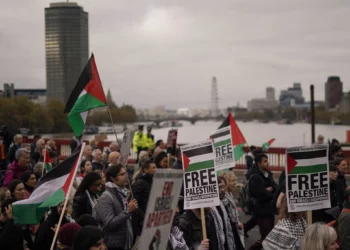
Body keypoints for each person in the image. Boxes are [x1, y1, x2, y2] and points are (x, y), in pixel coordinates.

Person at [95, 164, 138, 250]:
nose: (126, 176)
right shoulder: (106, 197)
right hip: (113, 245)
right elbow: (109, 223)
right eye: (122, 174)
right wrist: (128, 211)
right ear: (113, 178)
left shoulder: (122, 194)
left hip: (125, 243)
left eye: (125, 173)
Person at [247, 153, 278, 250]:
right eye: (265, 161)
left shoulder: (267, 173)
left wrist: (270, 189)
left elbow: (275, 186)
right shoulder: (255, 176)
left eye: (267, 161)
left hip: (269, 210)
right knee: (267, 239)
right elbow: (261, 194)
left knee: (268, 237)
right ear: (258, 163)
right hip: (261, 211)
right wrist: (269, 192)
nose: (267, 163)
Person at [131, 160, 156, 236]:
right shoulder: (140, 183)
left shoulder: (152, 181)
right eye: (153, 168)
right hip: (141, 221)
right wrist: (143, 216)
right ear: (146, 170)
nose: (156, 170)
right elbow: (134, 202)